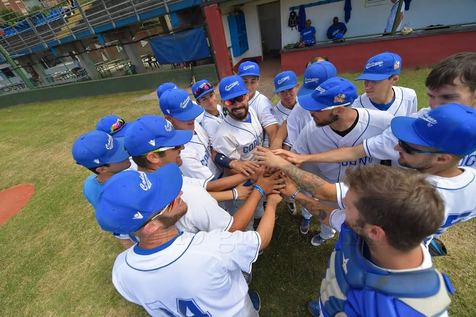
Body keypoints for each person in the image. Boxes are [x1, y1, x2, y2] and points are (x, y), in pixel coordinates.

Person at [256, 104, 476, 256]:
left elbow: (327, 195)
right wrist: (303, 158)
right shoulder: (470, 180)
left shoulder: (404, 193)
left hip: (374, 260)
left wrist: (288, 176)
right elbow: (354, 152)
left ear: (442, 158)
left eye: (409, 146)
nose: (396, 147)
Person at [95, 163, 283, 316]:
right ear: (151, 226)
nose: (179, 194)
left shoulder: (121, 270)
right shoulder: (210, 248)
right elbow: (261, 239)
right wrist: (271, 203)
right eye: (169, 201)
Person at [280, 165, 454, 316]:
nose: (340, 209)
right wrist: (296, 194)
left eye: (346, 207)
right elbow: (331, 216)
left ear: (375, 232)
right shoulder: (372, 230)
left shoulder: (412, 309)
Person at [124, 114, 281, 234]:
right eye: (175, 146)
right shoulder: (188, 197)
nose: (182, 149)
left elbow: (207, 186)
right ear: (153, 157)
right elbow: (233, 227)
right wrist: (260, 189)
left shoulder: (145, 182)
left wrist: (247, 177)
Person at [294, 77, 393, 246]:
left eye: (317, 108)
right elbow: (295, 155)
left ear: (339, 109)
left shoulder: (383, 122)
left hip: (362, 193)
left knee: (359, 229)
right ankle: (325, 234)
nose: (310, 112)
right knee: (326, 216)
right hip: (327, 187)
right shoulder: (311, 129)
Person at [160, 88, 254, 200]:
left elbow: (212, 150)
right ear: (169, 119)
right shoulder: (181, 153)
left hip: (224, 176)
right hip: (213, 192)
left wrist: (231, 163)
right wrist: (249, 174)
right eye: (185, 116)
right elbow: (211, 185)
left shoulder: (193, 125)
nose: (191, 118)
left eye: (190, 112)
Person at [213, 75, 280, 227]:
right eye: (231, 101)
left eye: (240, 98)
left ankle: (260, 219)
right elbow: (231, 171)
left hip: (260, 174)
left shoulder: (253, 113)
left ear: (247, 95)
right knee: (245, 220)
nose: (237, 105)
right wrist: (257, 176)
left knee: (258, 209)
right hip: (244, 183)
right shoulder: (224, 134)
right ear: (224, 103)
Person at [71, 130, 133, 248]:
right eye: (118, 156)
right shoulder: (94, 189)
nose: (126, 152)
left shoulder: (89, 184)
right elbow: (117, 224)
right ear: (102, 169)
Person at [270, 61, 337, 150]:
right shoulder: (277, 114)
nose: (287, 95)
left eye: (290, 89)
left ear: (297, 86)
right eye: (282, 91)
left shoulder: (305, 103)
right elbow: (287, 138)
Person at [354, 52, 417, 116]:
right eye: (366, 80)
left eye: (374, 81)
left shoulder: (409, 97)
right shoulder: (356, 108)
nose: (367, 87)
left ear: (394, 79)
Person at [237, 61, 278, 146]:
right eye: (245, 82)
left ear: (258, 80)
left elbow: (274, 133)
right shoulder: (236, 98)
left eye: (252, 82)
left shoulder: (263, 103)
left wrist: (269, 156)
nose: (248, 87)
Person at [191, 79, 225, 144]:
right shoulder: (208, 124)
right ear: (198, 103)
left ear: (215, 94)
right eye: (204, 99)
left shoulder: (219, 107)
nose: (210, 101)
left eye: (211, 95)